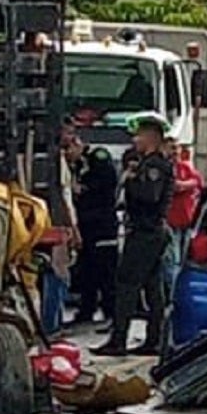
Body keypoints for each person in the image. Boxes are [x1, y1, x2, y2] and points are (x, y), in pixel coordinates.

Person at [93, 112, 175, 357]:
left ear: (151, 137)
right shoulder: (149, 163)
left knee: (127, 285)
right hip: (151, 232)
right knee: (152, 288)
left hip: (145, 232)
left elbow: (150, 196)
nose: (134, 140)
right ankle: (154, 339)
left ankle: (119, 340)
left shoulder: (154, 166)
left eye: (138, 135)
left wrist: (130, 181)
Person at [70, 134, 119, 329]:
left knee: (106, 271)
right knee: (87, 270)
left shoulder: (97, 157)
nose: (68, 154)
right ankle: (86, 309)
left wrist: (84, 189)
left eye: (69, 149)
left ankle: (111, 311)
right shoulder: (79, 164)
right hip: (87, 225)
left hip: (102, 224)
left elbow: (106, 184)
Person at [164, 137, 203, 293]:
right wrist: (186, 185)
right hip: (169, 223)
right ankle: (172, 293)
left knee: (185, 261)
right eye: (170, 148)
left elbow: (198, 182)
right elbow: (174, 187)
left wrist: (185, 185)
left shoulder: (186, 168)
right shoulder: (164, 168)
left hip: (187, 222)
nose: (174, 151)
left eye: (176, 148)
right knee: (172, 261)